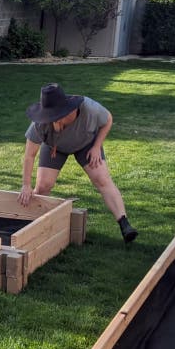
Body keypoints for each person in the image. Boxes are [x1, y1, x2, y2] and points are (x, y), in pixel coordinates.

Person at [20, 83, 138, 243]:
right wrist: (26, 185)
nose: (50, 119)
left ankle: (124, 224)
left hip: (86, 144)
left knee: (101, 179)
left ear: (65, 110)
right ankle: (33, 226)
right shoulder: (39, 124)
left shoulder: (89, 109)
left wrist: (96, 147)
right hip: (55, 147)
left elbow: (108, 119)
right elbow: (29, 155)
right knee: (43, 186)